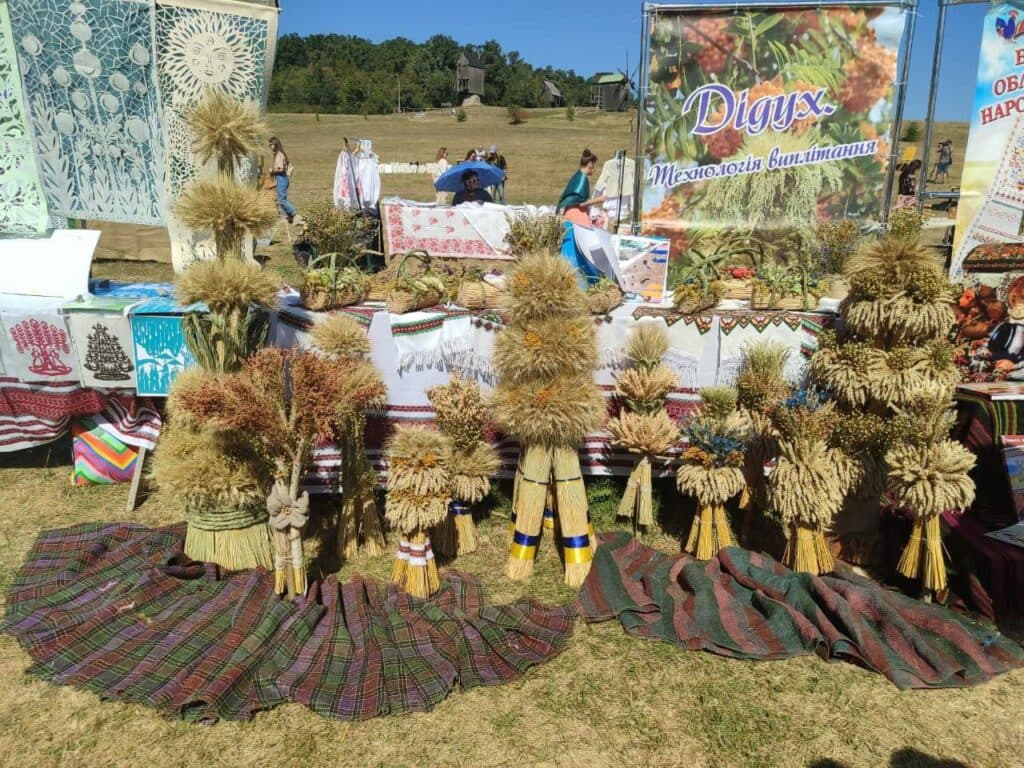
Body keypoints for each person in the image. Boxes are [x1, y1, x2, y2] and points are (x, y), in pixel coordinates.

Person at [557, 148, 605, 226]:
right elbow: (580, 203)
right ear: (590, 165)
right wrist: (599, 199)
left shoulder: (579, 175)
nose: (594, 170)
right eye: (593, 167)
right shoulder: (581, 180)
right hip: (575, 214)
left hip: (573, 213)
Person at [269, 136, 297, 223]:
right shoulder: (278, 154)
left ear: (275, 144)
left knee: (282, 200)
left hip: (281, 178)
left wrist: (272, 171)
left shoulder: (279, 155)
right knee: (281, 198)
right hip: (281, 178)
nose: (269, 147)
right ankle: (287, 216)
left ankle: (294, 213)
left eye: (271, 144)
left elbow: (280, 168)